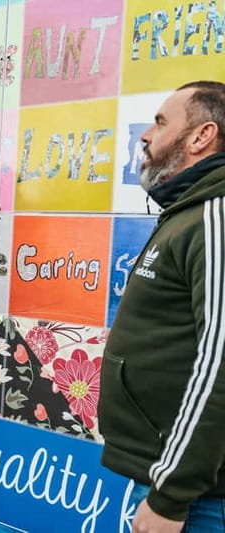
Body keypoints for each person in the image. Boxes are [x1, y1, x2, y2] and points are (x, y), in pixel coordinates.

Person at [99, 81, 225, 533]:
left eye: (160, 122)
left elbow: (218, 363)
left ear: (200, 136)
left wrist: (170, 497)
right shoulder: (189, 211)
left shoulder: (214, 216)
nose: (145, 136)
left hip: (194, 498)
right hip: (172, 481)